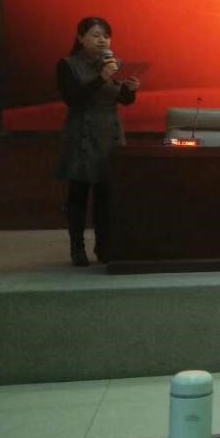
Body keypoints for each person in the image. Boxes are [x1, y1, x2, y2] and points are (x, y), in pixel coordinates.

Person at [56, 17, 140, 266]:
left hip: (110, 133)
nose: (102, 40)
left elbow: (122, 100)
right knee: (79, 194)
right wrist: (102, 77)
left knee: (107, 195)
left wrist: (130, 90)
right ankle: (77, 248)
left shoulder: (113, 64)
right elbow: (73, 98)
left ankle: (104, 247)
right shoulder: (68, 65)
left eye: (106, 36)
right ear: (80, 38)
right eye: (95, 35)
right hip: (82, 131)